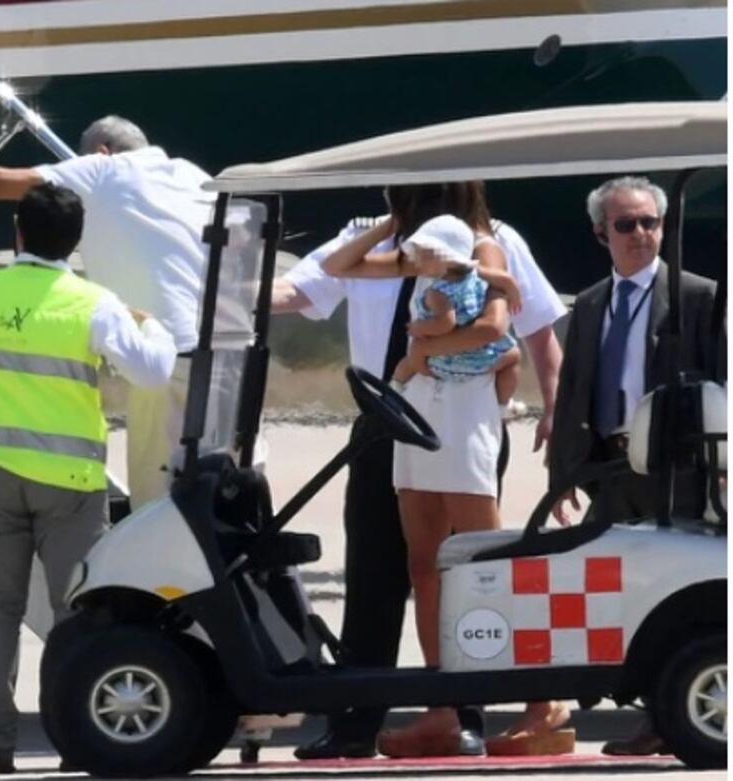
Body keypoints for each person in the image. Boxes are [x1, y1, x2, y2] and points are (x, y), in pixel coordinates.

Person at [0, 172, 176, 774]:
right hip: (69, 484)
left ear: (17, 232)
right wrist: (152, 325)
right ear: (76, 241)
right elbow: (152, 372)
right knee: (78, 614)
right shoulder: (94, 304)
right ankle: (73, 737)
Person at [272, 182, 567, 759]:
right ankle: (374, 718)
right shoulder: (392, 246)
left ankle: (493, 703)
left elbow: (530, 331)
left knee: (477, 567)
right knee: (385, 571)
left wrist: (555, 410)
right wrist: (388, 227)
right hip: (386, 419)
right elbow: (316, 278)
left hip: (461, 418)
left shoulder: (491, 242)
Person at [0, 116, 213, 509]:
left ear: (101, 151)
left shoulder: (104, 170)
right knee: (219, 483)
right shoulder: (192, 176)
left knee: (161, 503)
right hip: (229, 350)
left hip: (172, 358)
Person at [549, 175, 724, 755]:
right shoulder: (590, 302)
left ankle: (663, 717)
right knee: (608, 590)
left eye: (650, 222)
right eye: (627, 224)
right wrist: (562, 471)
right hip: (608, 468)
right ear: (602, 233)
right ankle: (632, 704)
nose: (641, 234)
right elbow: (574, 388)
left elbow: (721, 382)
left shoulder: (698, 296)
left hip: (675, 469)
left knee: (672, 593)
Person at [390, 214, 524, 406]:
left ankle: (398, 386)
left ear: (447, 258)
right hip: (481, 357)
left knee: (412, 356)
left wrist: (420, 327)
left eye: (423, 256)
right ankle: (503, 403)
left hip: (446, 361)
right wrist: (514, 295)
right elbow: (506, 279)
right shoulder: (478, 273)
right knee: (514, 356)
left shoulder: (438, 292)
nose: (417, 262)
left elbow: (445, 324)